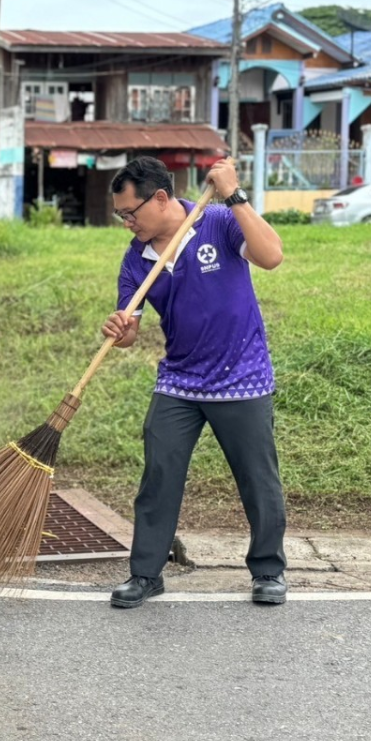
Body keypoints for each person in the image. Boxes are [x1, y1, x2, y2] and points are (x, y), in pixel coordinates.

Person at [101, 156, 288, 607]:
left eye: (132, 212)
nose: (127, 223)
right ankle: (146, 574)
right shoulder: (137, 260)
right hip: (180, 381)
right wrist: (122, 331)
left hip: (241, 376)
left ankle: (268, 570)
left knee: (258, 479)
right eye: (120, 215)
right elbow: (130, 333)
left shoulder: (219, 222)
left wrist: (234, 195)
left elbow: (272, 256)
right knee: (158, 476)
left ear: (161, 198)